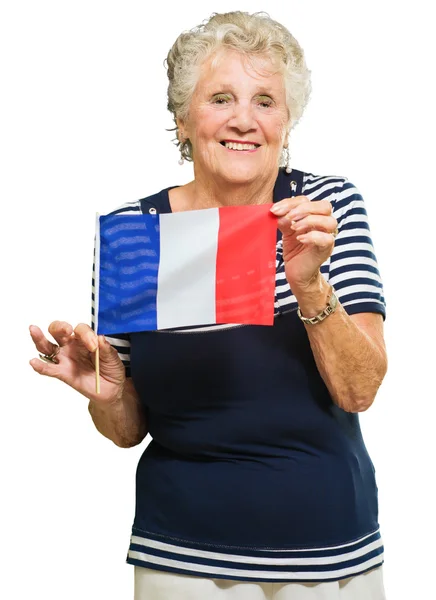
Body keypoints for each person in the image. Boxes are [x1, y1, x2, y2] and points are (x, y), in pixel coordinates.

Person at [29, 11, 388, 600]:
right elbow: (126, 431)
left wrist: (310, 285)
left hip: (331, 552)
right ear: (182, 119)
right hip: (183, 557)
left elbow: (360, 390)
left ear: (287, 121)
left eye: (265, 101)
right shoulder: (135, 234)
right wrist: (110, 394)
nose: (244, 119)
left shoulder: (324, 209)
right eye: (221, 98)